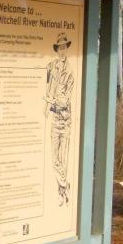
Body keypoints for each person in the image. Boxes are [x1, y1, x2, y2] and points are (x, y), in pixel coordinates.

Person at [44, 32, 74, 206]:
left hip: (65, 119)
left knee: (64, 159)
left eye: (64, 47)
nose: (62, 50)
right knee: (54, 158)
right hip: (55, 119)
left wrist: (53, 100)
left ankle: (61, 192)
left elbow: (65, 99)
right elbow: (48, 89)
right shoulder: (51, 67)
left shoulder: (70, 72)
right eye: (59, 48)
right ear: (56, 50)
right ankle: (65, 184)